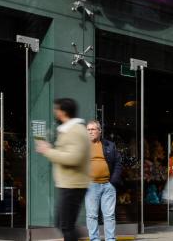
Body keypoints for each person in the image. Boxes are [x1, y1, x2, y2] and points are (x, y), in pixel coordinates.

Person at [35, 98, 90, 241]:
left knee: (66, 225)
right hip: (68, 184)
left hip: (74, 184)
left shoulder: (76, 130)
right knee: (62, 223)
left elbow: (74, 158)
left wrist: (48, 151)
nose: (55, 112)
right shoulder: (68, 130)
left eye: (56, 109)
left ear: (63, 112)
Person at [85, 121, 122, 241]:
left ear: (100, 131)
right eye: (88, 129)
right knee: (91, 216)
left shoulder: (109, 145)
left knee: (109, 216)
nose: (90, 131)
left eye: (93, 129)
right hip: (91, 185)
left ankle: (110, 239)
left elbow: (117, 163)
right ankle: (94, 239)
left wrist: (113, 182)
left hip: (108, 186)